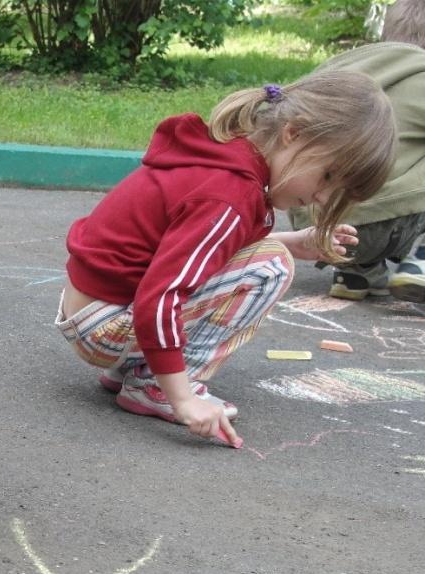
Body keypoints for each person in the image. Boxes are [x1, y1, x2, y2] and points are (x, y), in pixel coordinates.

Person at [56, 72, 395, 447]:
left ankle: (137, 369)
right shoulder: (230, 193)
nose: (323, 197)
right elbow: (162, 294)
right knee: (272, 266)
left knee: (277, 252)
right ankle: (154, 385)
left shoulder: (226, 159)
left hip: (95, 311)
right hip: (107, 327)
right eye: (327, 176)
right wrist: (182, 397)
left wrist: (295, 242)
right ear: (293, 133)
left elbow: (193, 250)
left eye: (338, 190)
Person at [292, 0, 425, 302]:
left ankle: (357, 274)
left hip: (316, 227)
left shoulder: (344, 66)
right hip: (382, 225)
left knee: (376, 168)